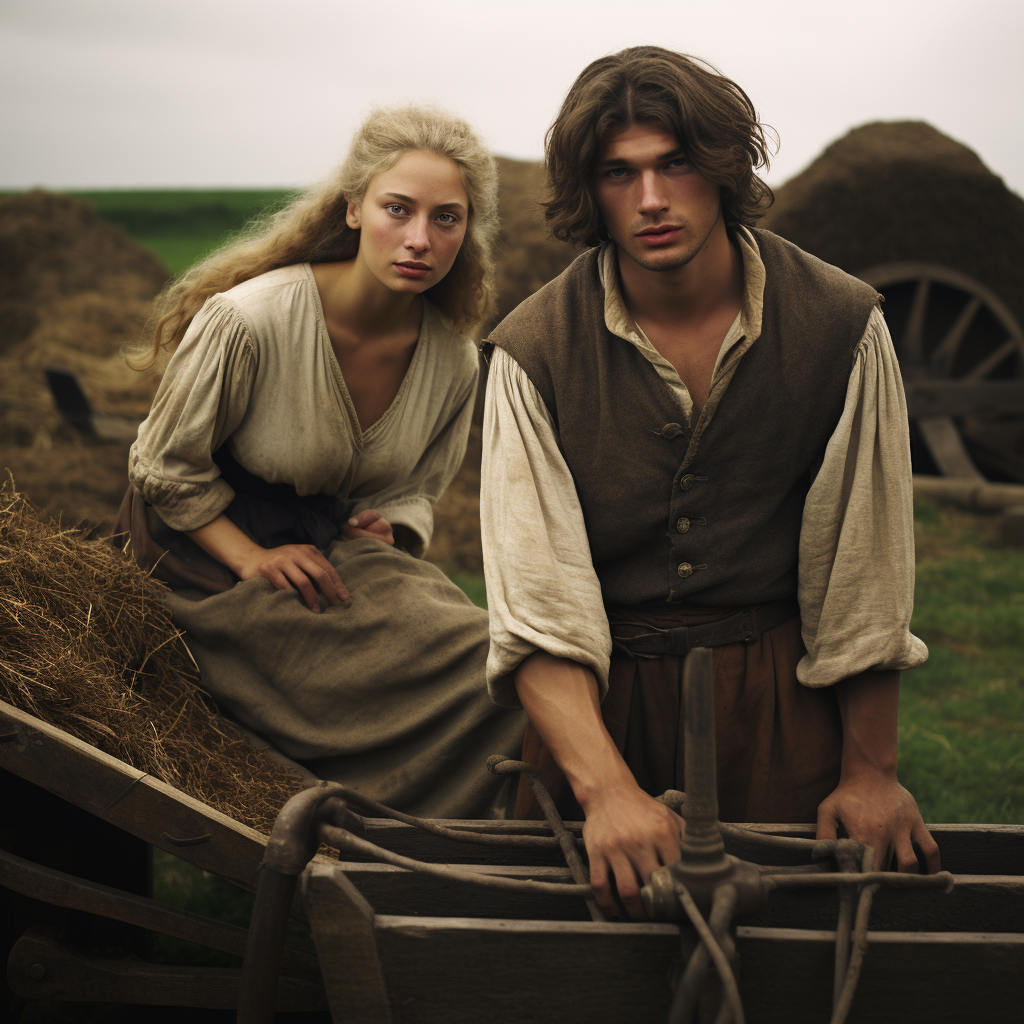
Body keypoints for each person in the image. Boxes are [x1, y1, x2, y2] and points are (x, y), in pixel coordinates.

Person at [480, 46, 940, 918]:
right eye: (619, 174)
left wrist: (870, 771)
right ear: (592, 190)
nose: (651, 200)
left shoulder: (842, 324)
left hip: (779, 701)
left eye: (675, 163)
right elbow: (536, 605)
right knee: (575, 972)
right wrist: (606, 790)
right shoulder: (530, 353)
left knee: (788, 958)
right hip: (599, 707)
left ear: (722, 168)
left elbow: (865, 573)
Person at [117, 105, 525, 819]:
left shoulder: (453, 358)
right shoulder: (252, 321)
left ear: (468, 230)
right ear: (355, 209)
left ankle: (474, 837)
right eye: (398, 209)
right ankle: (408, 826)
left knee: (492, 651)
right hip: (200, 562)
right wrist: (248, 557)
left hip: (329, 548)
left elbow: (415, 488)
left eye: (446, 219)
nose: (420, 239)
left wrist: (390, 529)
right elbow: (161, 468)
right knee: (462, 669)